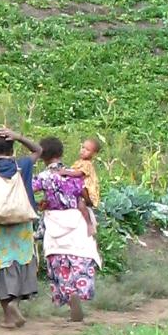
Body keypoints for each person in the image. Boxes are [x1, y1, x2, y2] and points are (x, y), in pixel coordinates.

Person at [0, 127, 42, 329]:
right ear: (12, 149)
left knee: (0, 267)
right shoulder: (23, 165)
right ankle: (15, 303)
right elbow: (38, 150)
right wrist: (19, 136)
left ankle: (7, 316)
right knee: (20, 264)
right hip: (20, 224)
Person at [33, 137, 100, 322]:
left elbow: (28, 189)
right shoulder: (75, 174)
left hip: (54, 223)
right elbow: (84, 196)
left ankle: (70, 298)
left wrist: (42, 203)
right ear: (61, 153)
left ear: (42, 157)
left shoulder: (44, 177)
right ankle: (79, 291)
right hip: (77, 221)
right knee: (78, 259)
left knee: (59, 263)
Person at [58, 138, 102, 208]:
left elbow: (79, 174)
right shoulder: (79, 162)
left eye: (87, 150)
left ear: (94, 154)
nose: (83, 151)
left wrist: (65, 172)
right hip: (80, 187)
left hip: (87, 191)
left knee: (80, 186)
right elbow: (72, 170)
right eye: (83, 147)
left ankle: (88, 202)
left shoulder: (88, 164)